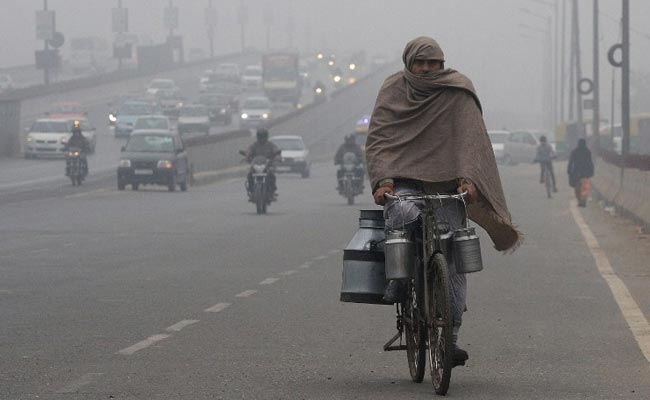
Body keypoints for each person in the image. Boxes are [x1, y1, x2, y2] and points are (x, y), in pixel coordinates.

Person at [365, 36, 521, 367]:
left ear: (442, 64)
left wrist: (468, 178)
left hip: (448, 185)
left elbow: (469, 140)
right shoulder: (393, 89)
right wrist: (383, 180)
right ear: (408, 64)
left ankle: (449, 341)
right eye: (420, 62)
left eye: (432, 62)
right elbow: (379, 137)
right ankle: (398, 280)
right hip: (403, 181)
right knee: (402, 218)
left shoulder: (457, 90)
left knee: (452, 264)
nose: (426, 68)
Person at [245, 128, 280, 198]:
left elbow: (276, 150)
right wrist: (247, 155)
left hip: (267, 165)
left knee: (272, 175)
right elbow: (249, 150)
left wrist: (277, 156)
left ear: (266, 136)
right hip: (256, 165)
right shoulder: (254, 145)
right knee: (249, 175)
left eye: (263, 136)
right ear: (258, 137)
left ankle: (272, 190)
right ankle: (251, 190)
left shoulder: (270, 145)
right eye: (260, 136)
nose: (262, 138)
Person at [567, 138, 594, 207]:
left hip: (576, 172)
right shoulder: (587, 151)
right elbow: (590, 162)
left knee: (577, 188)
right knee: (584, 188)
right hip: (585, 172)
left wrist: (569, 170)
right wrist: (591, 171)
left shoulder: (574, 151)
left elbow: (571, 162)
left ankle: (580, 200)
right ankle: (583, 201)